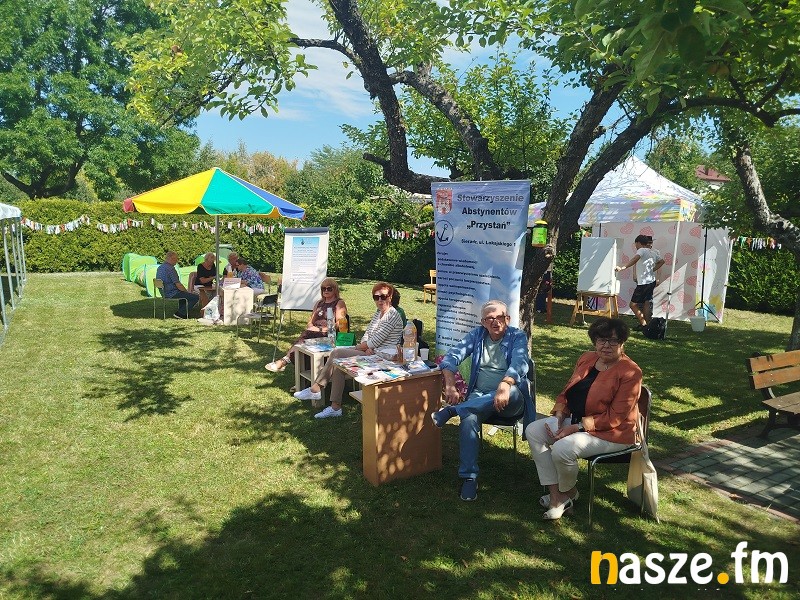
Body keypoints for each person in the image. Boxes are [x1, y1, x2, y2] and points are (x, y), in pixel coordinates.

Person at [526, 317, 642, 520]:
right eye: (601, 340)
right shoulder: (587, 358)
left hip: (613, 433)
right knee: (534, 431)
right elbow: (568, 391)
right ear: (594, 341)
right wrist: (560, 414)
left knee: (563, 449)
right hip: (578, 421)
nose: (606, 345)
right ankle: (559, 495)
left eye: (613, 341)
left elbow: (615, 417)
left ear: (622, 343)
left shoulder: (630, 372)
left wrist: (575, 428)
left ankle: (566, 494)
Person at [430, 300, 535, 501]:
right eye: (489, 318)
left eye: (500, 317)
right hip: (480, 397)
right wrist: (450, 385)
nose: (495, 322)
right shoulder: (477, 335)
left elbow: (520, 364)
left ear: (508, 319)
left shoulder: (517, 336)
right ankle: (469, 478)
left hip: (510, 398)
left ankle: (453, 410)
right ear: (483, 322)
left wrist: (505, 384)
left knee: (513, 392)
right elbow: (451, 357)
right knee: (469, 418)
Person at [293, 282, 404, 419]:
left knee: (337, 353)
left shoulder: (392, 315)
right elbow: (368, 334)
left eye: (383, 297)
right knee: (338, 364)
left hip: (383, 358)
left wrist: (362, 347)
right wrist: (366, 346)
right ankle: (335, 407)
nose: (380, 300)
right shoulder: (379, 313)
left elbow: (375, 341)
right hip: (372, 352)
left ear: (390, 297)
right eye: (376, 297)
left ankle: (316, 389)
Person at [265, 278, 348, 373]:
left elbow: (341, 322)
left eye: (329, 288)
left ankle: (284, 361)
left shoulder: (339, 303)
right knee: (303, 340)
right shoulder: (319, 303)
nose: (326, 291)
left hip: (328, 334)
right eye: (323, 288)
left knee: (302, 341)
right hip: (313, 331)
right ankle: (293, 366)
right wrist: (311, 326)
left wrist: (322, 329)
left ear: (335, 289)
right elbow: (311, 320)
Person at [615, 234, 665, 329]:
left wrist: (622, 268)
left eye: (635, 244)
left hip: (643, 283)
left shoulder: (641, 250)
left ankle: (644, 324)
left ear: (638, 243)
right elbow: (662, 261)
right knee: (646, 303)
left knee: (633, 304)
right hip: (651, 281)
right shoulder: (652, 252)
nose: (635, 246)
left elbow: (635, 259)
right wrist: (652, 270)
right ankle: (648, 325)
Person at [155, 251, 199, 319]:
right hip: (172, 293)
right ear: (171, 259)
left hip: (164, 292)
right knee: (195, 297)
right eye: (176, 259)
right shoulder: (170, 269)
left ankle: (183, 312)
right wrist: (187, 292)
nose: (176, 261)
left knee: (184, 295)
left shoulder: (160, 267)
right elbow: (178, 285)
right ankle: (180, 313)